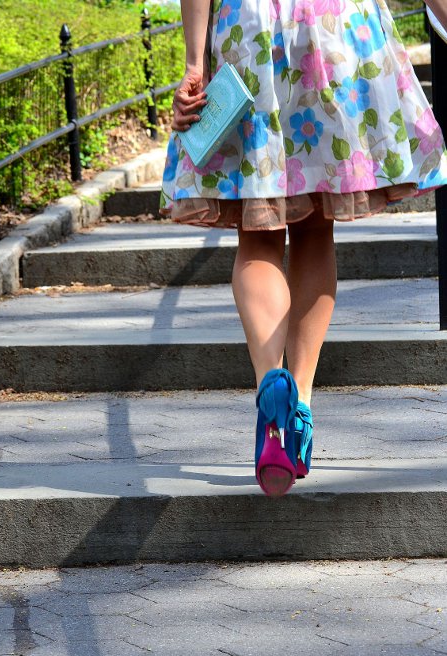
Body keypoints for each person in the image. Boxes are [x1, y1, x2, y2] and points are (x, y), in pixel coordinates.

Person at [160, 0, 447, 497]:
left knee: (258, 238)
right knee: (316, 228)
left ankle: (271, 381)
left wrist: (193, 62)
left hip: (249, 31)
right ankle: (302, 406)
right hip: (337, 30)